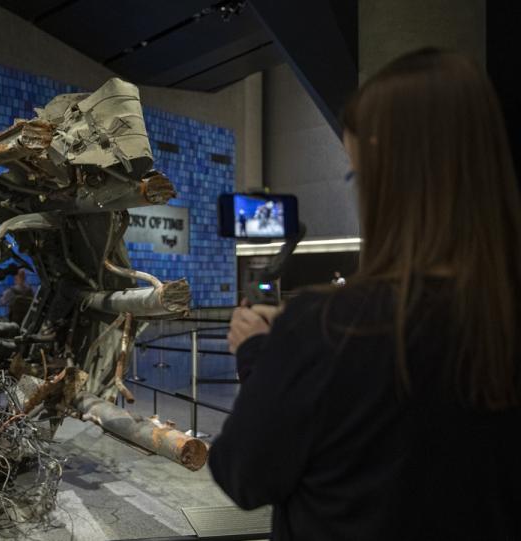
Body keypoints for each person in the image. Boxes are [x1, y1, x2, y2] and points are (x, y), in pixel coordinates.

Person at [210, 49, 521, 540]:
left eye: (358, 175)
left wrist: (257, 354)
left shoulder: (327, 326)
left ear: (390, 180)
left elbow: (243, 474)